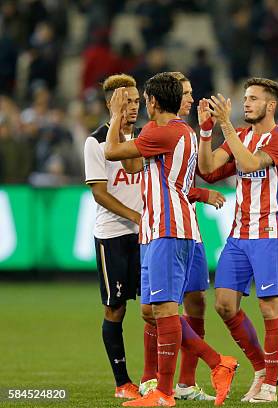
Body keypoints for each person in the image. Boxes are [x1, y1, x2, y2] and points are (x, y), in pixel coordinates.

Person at [104, 72, 238, 407]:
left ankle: (164, 392)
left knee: (163, 309)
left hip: (168, 228)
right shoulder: (174, 132)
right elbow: (135, 166)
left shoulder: (165, 132)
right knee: (151, 310)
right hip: (156, 230)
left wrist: (114, 116)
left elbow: (112, 152)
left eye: (143, 100)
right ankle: (216, 362)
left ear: (152, 101)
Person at [197, 77, 278, 403]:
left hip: (269, 235)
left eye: (253, 98)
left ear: (271, 105)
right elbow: (207, 167)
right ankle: (260, 369)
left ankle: (269, 385)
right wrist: (207, 130)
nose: (247, 103)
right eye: (246, 98)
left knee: (269, 308)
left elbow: (252, 162)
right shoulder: (238, 134)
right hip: (239, 235)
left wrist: (225, 123)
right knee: (224, 305)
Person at [83, 73, 142, 400]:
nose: (133, 106)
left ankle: (155, 379)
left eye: (135, 100)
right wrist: (135, 216)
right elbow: (100, 194)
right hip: (113, 235)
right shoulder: (96, 141)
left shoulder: (144, 136)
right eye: (125, 101)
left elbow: (135, 170)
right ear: (110, 103)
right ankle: (122, 383)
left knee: (153, 307)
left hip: (145, 234)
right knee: (115, 308)